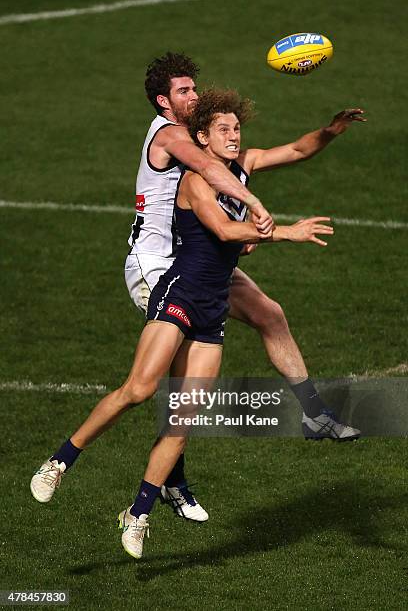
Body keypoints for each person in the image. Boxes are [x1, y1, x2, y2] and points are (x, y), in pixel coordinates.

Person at [30, 53, 364, 522]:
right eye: (185, 91)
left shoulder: (214, 146)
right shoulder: (173, 138)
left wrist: (329, 131)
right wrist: (254, 208)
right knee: (157, 384)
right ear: (164, 102)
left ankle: (313, 413)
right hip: (156, 266)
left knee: (268, 315)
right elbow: (209, 175)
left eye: (195, 88)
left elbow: (290, 153)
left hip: (198, 263)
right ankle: (153, 480)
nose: (195, 96)